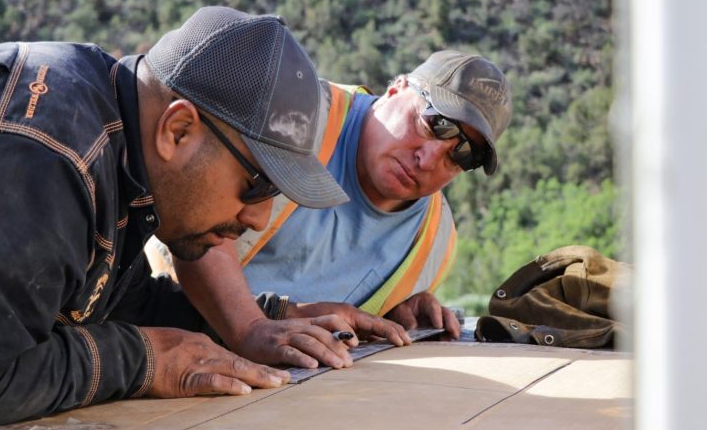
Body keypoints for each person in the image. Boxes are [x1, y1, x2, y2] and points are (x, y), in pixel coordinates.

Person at [0, 6, 401, 429]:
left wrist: (262, 321)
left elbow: (91, 297)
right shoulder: (40, 151)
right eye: (257, 183)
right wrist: (144, 359)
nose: (259, 218)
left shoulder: (115, 138)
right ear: (178, 130)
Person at [152, 50, 512, 342]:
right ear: (397, 88)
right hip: (150, 332)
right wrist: (256, 329)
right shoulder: (295, 116)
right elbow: (192, 231)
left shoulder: (434, 242)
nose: (427, 158)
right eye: (435, 123)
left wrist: (394, 314)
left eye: (463, 154)